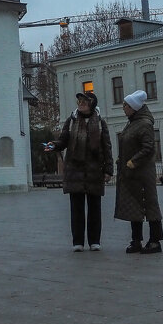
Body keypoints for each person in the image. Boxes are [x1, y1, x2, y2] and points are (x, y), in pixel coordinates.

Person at [46, 91, 113, 251]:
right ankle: (78, 242)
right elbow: (63, 141)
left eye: (84, 101)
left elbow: (107, 147)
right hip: (74, 170)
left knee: (94, 208)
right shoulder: (71, 121)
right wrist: (54, 145)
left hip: (94, 170)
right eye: (79, 101)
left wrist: (108, 170)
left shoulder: (100, 123)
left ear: (92, 104)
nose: (81, 103)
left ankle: (94, 241)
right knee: (76, 208)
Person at [114, 90, 163, 254]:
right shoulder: (132, 122)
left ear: (134, 107)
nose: (123, 108)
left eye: (125, 105)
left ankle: (155, 241)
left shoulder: (144, 124)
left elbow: (149, 148)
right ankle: (136, 240)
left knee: (150, 205)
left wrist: (132, 162)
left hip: (142, 174)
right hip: (131, 173)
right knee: (134, 205)